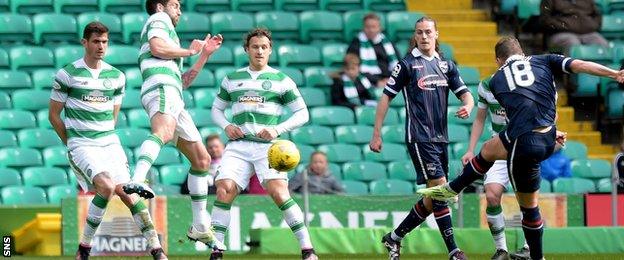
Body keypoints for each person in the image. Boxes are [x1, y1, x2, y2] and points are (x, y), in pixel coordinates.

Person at [418, 36, 624, 260]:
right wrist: (614, 74)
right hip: (548, 137)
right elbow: (580, 65)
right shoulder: (544, 60)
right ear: (522, 52)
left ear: (499, 61)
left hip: (523, 144)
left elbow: (517, 109)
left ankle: (536, 255)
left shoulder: (495, 81)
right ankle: (452, 189)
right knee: (489, 149)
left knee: (528, 207)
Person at [48, 22, 166, 260]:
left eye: (104, 42)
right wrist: (71, 142)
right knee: (105, 186)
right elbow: (54, 115)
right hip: (82, 144)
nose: (101, 46)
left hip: (109, 143)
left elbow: (113, 116)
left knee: (129, 193)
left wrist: (106, 136)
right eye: (95, 41)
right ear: (85, 43)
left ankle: (157, 250)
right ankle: (85, 248)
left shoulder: (117, 77)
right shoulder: (67, 74)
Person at [368, 17, 474, 260]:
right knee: (440, 191)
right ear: (415, 36)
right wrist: (376, 133)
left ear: (436, 34)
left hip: (441, 139)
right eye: (419, 32)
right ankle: (454, 251)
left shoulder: (447, 65)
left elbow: (466, 95)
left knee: (434, 197)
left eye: (428, 32)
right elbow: (385, 97)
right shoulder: (406, 65)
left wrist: (468, 105)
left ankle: (393, 238)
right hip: (419, 137)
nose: (424, 36)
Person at [121, 0, 224, 247]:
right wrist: (190, 51)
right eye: (175, 5)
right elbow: (157, 48)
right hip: (161, 88)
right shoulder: (159, 20)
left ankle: (200, 226)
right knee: (163, 132)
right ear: (160, 6)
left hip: (173, 92)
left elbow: (184, 80)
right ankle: (137, 179)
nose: (179, 11)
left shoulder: (170, 35)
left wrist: (203, 55)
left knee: (202, 160)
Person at [209, 28, 316, 260]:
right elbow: (216, 109)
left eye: (264, 47)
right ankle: (216, 251)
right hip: (238, 145)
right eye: (255, 47)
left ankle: (308, 250)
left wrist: (278, 129)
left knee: (279, 194)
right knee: (223, 189)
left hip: (268, 148)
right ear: (246, 49)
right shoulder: (232, 78)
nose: (259, 51)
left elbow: (302, 114)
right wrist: (226, 126)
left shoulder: (281, 80)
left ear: (270, 50)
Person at [462, 75, 530, 260]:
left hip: (524, 147)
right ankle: (502, 250)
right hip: (498, 148)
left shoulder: (527, 81)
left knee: (527, 199)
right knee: (491, 195)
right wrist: (470, 150)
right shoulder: (487, 85)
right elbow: (479, 119)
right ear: (499, 60)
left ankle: (529, 248)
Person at [347, 12, 400, 87]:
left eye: (374, 27)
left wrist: (389, 79)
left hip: (389, 80)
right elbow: (352, 67)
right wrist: (376, 82)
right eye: (368, 27)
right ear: (363, 28)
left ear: (379, 28)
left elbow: (398, 65)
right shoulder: (356, 43)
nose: (371, 30)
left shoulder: (388, 43)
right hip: (365, 81)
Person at [539, 0, 609, 54]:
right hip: (560, 34)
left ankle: (602, 72)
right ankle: (572, 72)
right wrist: (566, 26)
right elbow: (545, 20)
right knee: (573, 43)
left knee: (601, 42)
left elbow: (597, 15)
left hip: (587, 33)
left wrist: (592, 25)